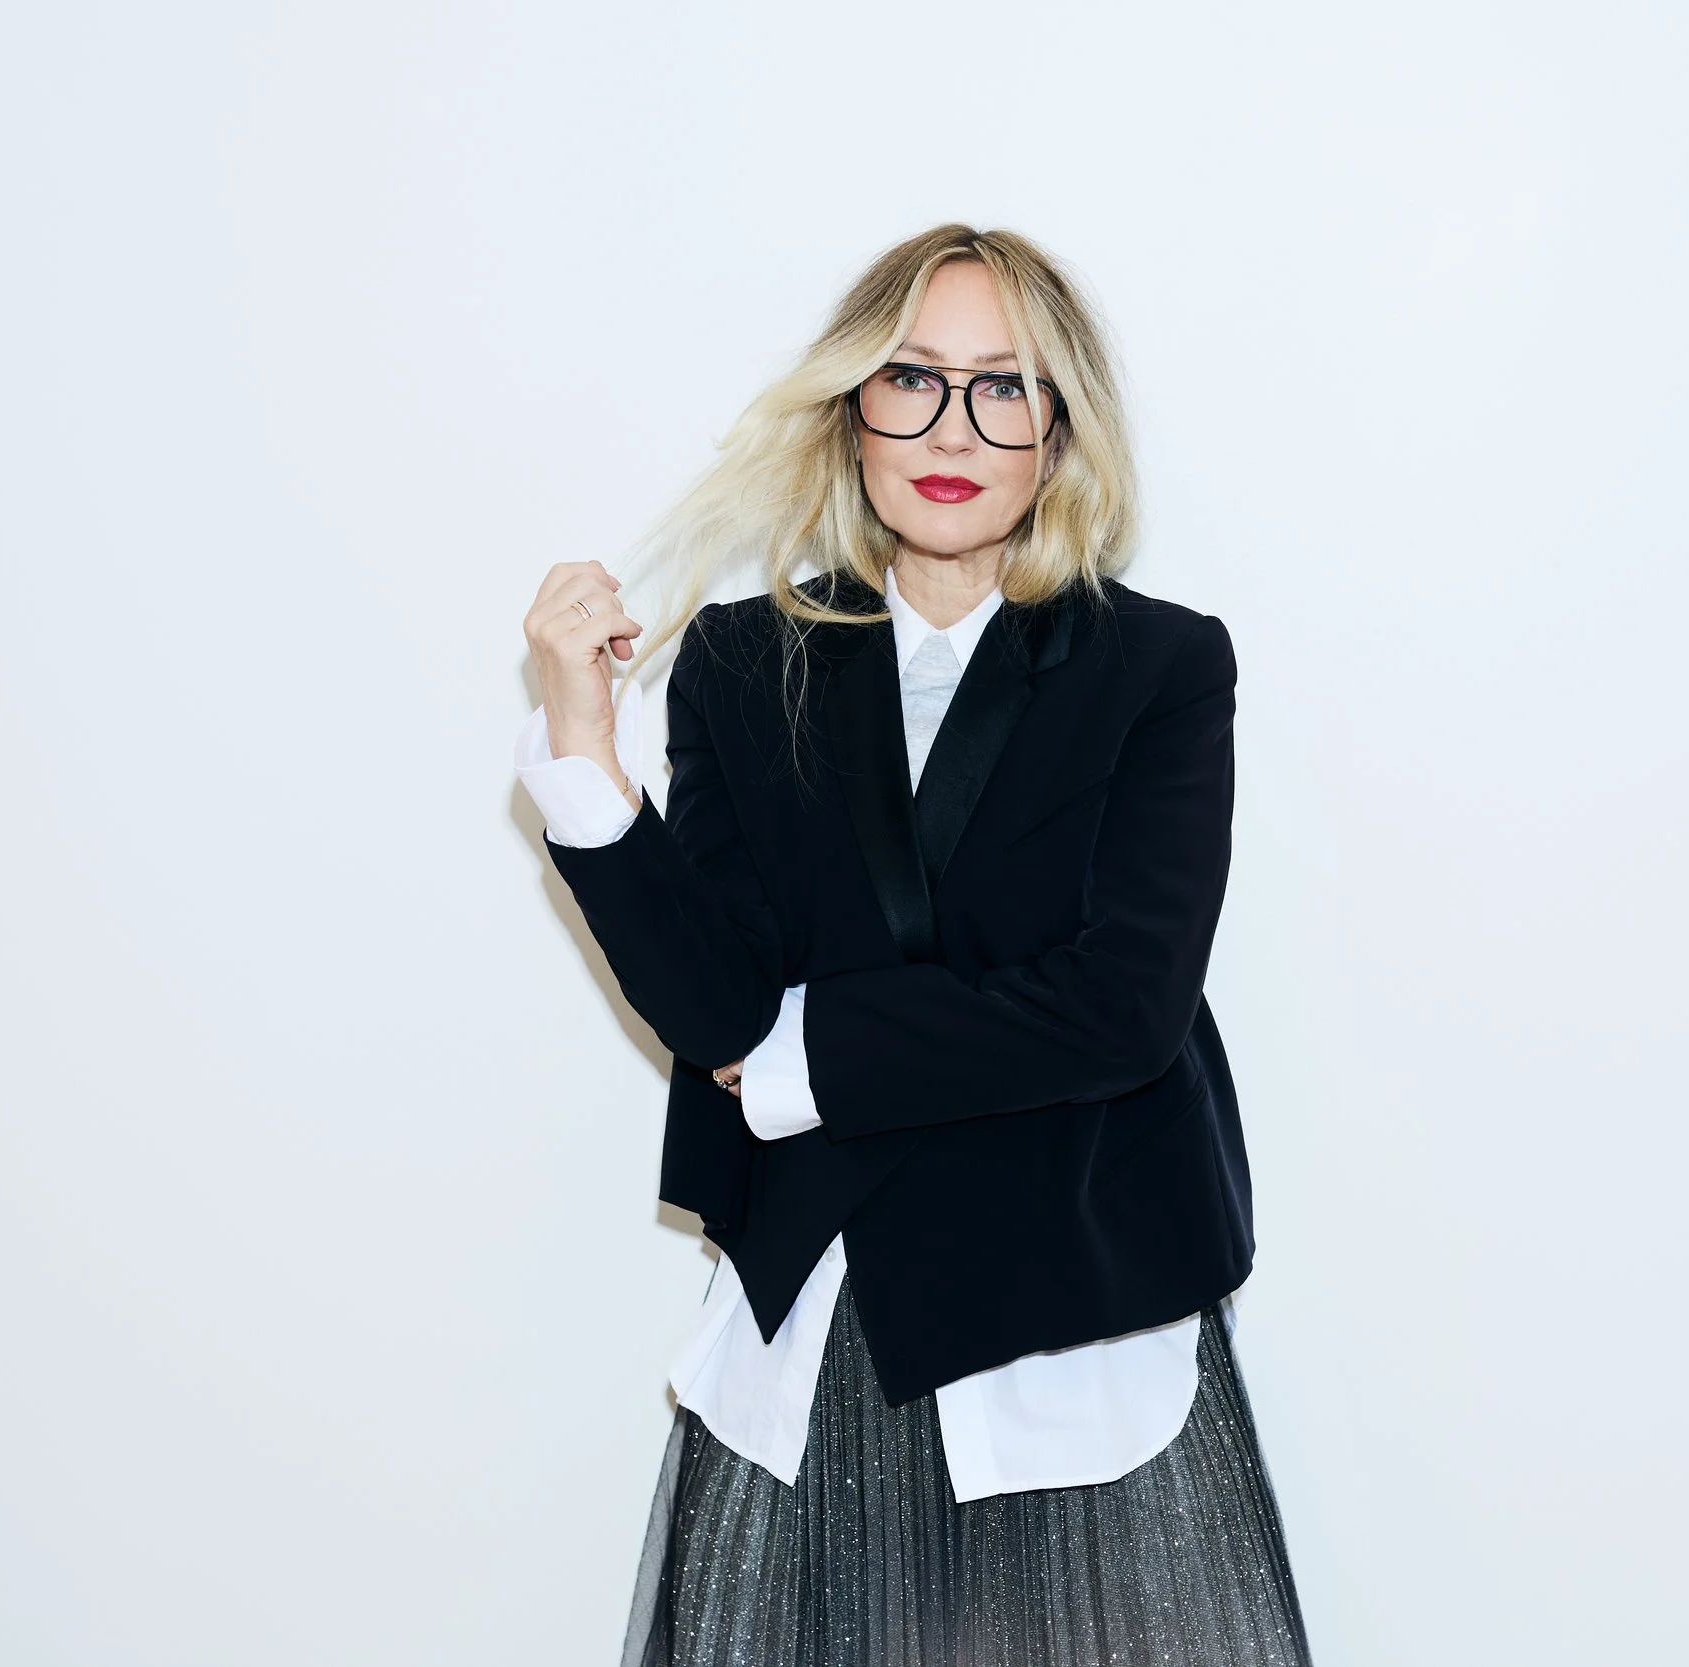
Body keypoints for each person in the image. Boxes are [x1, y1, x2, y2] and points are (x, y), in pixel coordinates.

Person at [514, 224, 1311, 1667]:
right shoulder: (750, 662)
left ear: (1061, 430)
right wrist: (584, 756)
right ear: (853, 411)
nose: (954, 429)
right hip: (825, 1311)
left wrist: (805, 1057)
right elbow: (716, 1002)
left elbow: (1120, 1010)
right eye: (913, 382)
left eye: (1004, 388)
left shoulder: (1162, 666)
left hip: (1072, 1311)